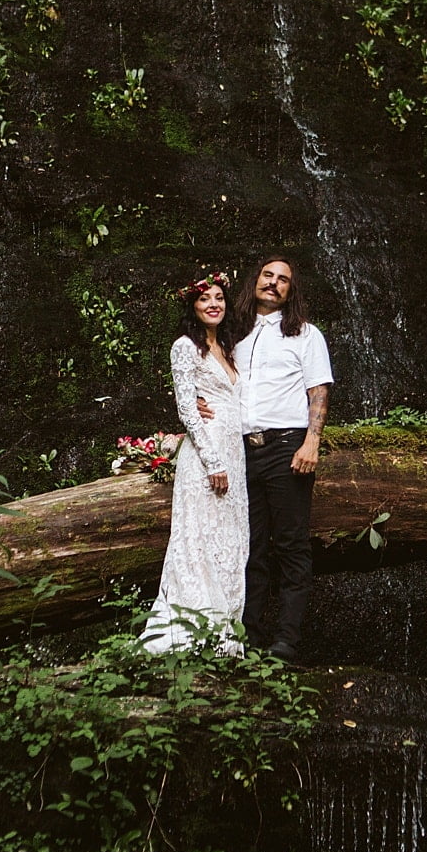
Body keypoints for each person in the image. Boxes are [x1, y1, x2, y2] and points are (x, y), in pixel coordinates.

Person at [228, 256, 332, 661]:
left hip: (287, 447)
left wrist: (312, 442)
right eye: (268, 276)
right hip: (240, 452)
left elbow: (319, 389)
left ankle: (286, 642)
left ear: (292, 290)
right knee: (250, 548)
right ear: (255, 280)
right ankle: (248, 638)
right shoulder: (233, 331)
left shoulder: (305, 335)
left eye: (283, 280)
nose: (274, 284)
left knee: (290, 545)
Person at [141, 270, 247, 653]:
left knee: (230, 540)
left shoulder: (229, 347)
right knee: (199, 540)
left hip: (235, 457)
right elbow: (187, 406)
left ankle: (225, 634)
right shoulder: (185, 346)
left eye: (219, 297)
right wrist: (213, 461)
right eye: (205, 299)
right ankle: (193, 631)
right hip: (208, 459)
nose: (213, 304)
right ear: (193, 306)